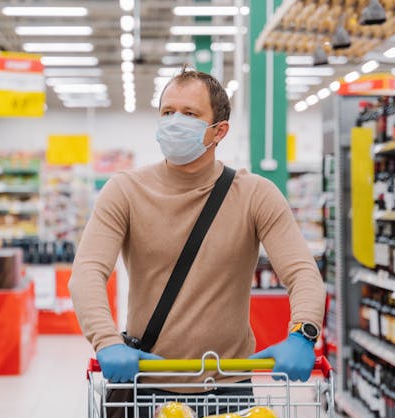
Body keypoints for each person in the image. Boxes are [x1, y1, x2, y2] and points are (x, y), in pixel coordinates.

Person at [69, 68, 325, 390]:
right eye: (167, 112)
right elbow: (88, 272)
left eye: (189, 113)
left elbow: (302, 271)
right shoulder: (125, 191)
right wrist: (106, 340)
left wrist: (303, 332)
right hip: (149, 384)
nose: (175, 121)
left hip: (228, 385)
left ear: (219, 131)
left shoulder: (254, 195)